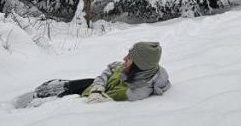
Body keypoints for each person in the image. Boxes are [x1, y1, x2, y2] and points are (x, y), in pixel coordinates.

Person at [14, 41, 171, 108]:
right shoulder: (138, 68)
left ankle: (37, 105)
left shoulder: (136, 92)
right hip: (92, 87)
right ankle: (42, 93)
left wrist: (96, 93)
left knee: (50, 101)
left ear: (138, 65)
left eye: (129, 58)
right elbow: (111, 68)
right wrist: (98, 85)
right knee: (50, 87)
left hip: (86, 97)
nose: (124, 59)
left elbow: (106, 102)